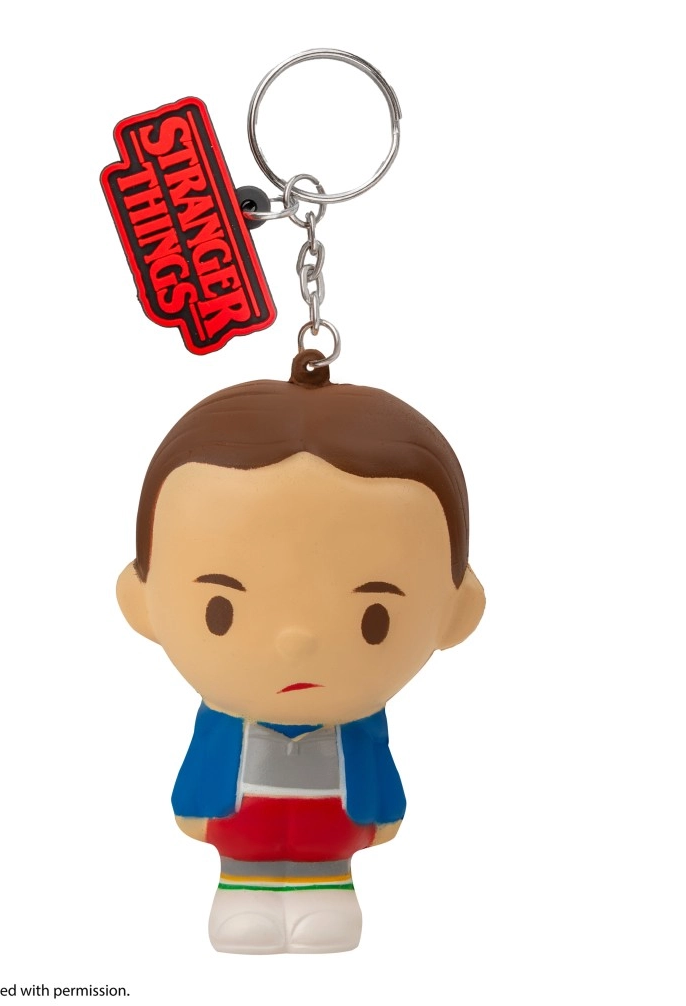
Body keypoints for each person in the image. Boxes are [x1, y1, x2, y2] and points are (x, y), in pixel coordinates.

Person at [117, 350, 485, 953]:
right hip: (245, 837)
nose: (296, 640)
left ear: (457, 611)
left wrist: (381, 812)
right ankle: (243, 895)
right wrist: (197, 808)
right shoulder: (226, 727)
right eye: (221, 610)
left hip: (329, 840)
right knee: (245, 891)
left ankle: (327, 895)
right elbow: (200, 779)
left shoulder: (359, 731)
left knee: (326, 892)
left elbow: (378, 776)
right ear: (141, 601)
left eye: (373, 619)